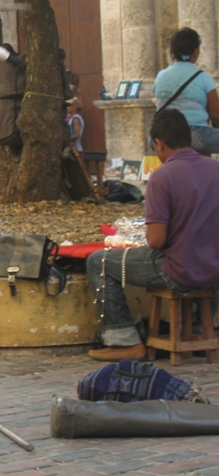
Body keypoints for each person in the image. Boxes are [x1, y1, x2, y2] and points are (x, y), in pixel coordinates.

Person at [86, 109, 219, 361]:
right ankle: (200, 330)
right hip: (215, 273)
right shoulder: (216, 169)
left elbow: (157, 241)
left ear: (158, 144)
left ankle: (123, 340)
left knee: (98, 262)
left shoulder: (162, 177)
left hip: (178, 272)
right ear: (190, 140)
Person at [153, 27, 219, 155]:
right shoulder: (203, 77)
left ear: (173, 53)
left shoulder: (160, 76)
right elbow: (216, 115)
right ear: (196, 51)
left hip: (165, 137)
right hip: (195, 136)